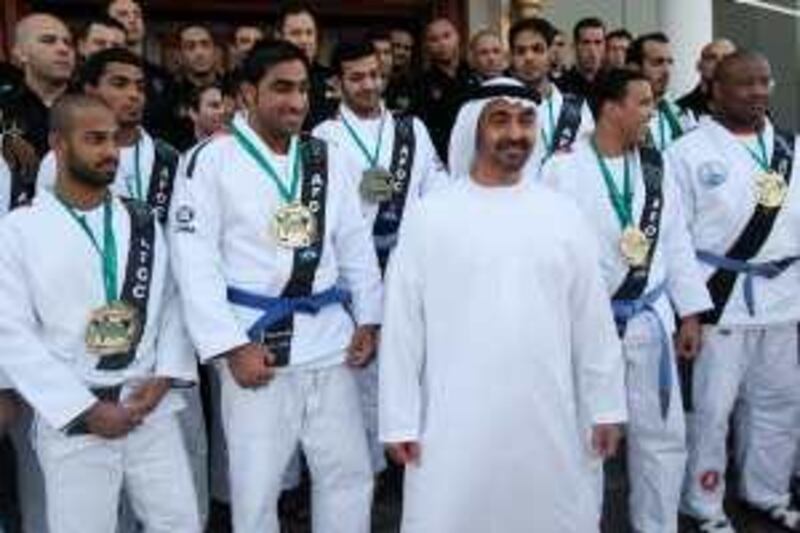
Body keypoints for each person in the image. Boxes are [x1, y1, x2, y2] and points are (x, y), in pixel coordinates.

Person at [379, 76, 627, 533]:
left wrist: (606, 406)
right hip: (453, 420)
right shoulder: (431, 216)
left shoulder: (562, 214)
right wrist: (399, 419)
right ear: (474, 128)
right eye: (500, 120)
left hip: (547, 413)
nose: (515, 133)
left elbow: (592, 321)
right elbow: (401, 329)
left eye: (526, 121)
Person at [169, 40, 382, 533]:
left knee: (347, 475)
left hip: (330, 340)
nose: (296, 102)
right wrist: (230, 345)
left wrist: (369, 317)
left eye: (303, 89)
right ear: (247, 93)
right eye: (281, 89)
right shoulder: (209, 161)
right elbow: (193, 263)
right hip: (257, 345)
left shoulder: (327, 157)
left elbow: (354, 244)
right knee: (257, 488)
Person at [0, 93, 201, 533]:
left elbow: (171, 303)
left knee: (179, 523)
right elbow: (9, 332)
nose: (110, 151)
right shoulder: (19, 230)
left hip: (148, 406)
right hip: (76, 417)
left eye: (112, 139)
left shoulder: (143, 220)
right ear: (58, 143)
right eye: (94, 139)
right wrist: (85, 409)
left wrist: (165, 376)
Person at [542, 68, 711, 533]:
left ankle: (656, 526)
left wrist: (691, 313)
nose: (651, 114)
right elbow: (544, 250)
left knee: (662, 435)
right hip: (587, 325)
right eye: (644, 104)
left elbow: (676, 243)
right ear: (611, 108)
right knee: (586, 437)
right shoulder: (562, 167)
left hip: (650, 319)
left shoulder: (657, 165)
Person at [667, 51, 800, 533]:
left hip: (784, 297)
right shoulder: (687, 152)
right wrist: (689, 310)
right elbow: (675, 240)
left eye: (765, 81)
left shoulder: (791, 146)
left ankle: (767, 491)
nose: (759, 92)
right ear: (716, 90)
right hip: (719, 300)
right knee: (711, 411)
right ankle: (704, 503)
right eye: (746, 84)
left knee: (778, 404)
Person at [313, 41, 448, 474]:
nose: (368, 84)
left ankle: (417, 458)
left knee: (414, 363)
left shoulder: (413, 130)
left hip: (411, 265)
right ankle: (371, 469)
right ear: (337, 84)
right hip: (355, 270)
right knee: (360, 372)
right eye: (356, 77)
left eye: (374, 74)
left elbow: (436, 191)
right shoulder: (323, 138)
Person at [38, 48, 181, 226]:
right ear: (90, 91)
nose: (134, 95)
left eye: (140, 87)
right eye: (120, 84)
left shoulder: (169, 157)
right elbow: (50, 226)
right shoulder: (61, 158)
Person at [507, 17, 593, 173]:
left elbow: (588, 161)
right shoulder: (500, 108)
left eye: (537, 49)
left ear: (550, 53)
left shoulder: (576, 107)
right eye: (521, 51)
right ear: (511, 58)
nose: (529, 57)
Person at [1, 13, 75, 158]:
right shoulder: (4, 106)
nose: (63, 49)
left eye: (68, 43)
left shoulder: (92, 104)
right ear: (21, 53)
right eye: (48, 41)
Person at [107, 0, 177, 147]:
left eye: (137, 15)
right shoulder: (96, 74)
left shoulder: (162, 77)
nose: (132, 20)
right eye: (123, 14)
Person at [413, 17, 478, 162]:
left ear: (458, 37)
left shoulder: (475, 76)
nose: (442, 43)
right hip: (441, 159)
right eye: (434, 39)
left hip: (477, 157)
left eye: (447, 36)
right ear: (427, 46)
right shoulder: (421, 84)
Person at [627, 32, 695, 152]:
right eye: (657, 63)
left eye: (669, 62)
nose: (666, 71)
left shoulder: (680, 115)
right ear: (634, 68)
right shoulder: (620, 115)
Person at [275, 1, 338, 129]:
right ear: (279, 37)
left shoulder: (332, 79)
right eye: (296, 33)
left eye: (309, 33)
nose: (304, 40)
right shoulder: (267, 79)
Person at [676, 39, 736, 119]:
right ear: (699, 65)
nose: (720, 62)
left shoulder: (748, 108)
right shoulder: (680, 110)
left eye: (727, 58)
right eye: (712, 58)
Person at [557, 17, 605, 99]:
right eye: (586, 42)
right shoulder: (559, 87)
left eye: (598, 42)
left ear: (604, 46)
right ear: (575, 46)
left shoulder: (613, 87)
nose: (592, 49)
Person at [385, 27, 416, 113]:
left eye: (407, 48)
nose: (401, 52)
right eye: (396, 46)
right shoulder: (372, 79)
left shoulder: (416, 84)